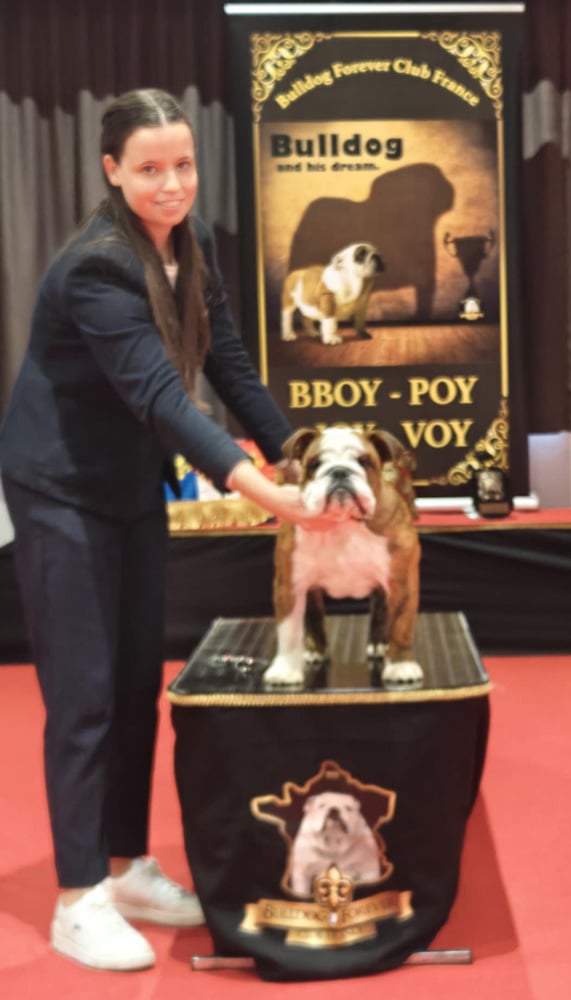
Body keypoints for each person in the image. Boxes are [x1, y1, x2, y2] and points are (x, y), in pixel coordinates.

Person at [0, 88, 327, 972]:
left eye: (183, 165)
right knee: (85, 695)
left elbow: (227, 362)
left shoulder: (193, 240)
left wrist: (298, 453)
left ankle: (124, 866)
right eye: (150, 169)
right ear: (113, 170)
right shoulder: (95, 268)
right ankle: (76, 898)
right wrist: (267, 496)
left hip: (129, 485)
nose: (172, 184)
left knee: (138, 681)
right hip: (58, 490)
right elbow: (159, 396)